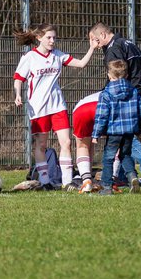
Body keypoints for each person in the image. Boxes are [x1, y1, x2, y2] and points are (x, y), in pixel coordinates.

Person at [13, 24, 97, 189]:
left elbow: (80, 64)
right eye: (49, 38)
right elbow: (18, 78)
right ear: (39, 38)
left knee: (66, 143)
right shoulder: (29, 57)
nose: (52, 41)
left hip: (58, 107)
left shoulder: (58, 55)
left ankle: (67, 183)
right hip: (38, 108)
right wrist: (17, 94)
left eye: (54, 37)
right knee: (41, 145)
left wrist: (92, 48)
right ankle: (45, 182)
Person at [88, 23, 141, 187]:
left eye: (95, 40)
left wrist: (107, 94)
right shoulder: (126, 43)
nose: (95, 45)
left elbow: (117, 76)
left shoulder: (114, 49)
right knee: (126, 138)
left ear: (102, 35)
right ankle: (125, 177)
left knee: (124, 134)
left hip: (129, 97)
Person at [91, 59, 141, 195]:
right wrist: (140, 129)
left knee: (108, 158)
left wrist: (96, 134)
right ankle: (132, 176)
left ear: (109, 76)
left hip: (114, 132)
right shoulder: (134, 91)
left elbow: (101, 116)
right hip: (129, 131)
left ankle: (106, 187)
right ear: (127, 75)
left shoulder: (106, 94)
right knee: (125, 154)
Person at [70, 91, 102, 193]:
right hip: (103, 106)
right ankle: (112, 180)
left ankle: (86, 181)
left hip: (81, 108)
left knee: (83, 146)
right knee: (116, 143)